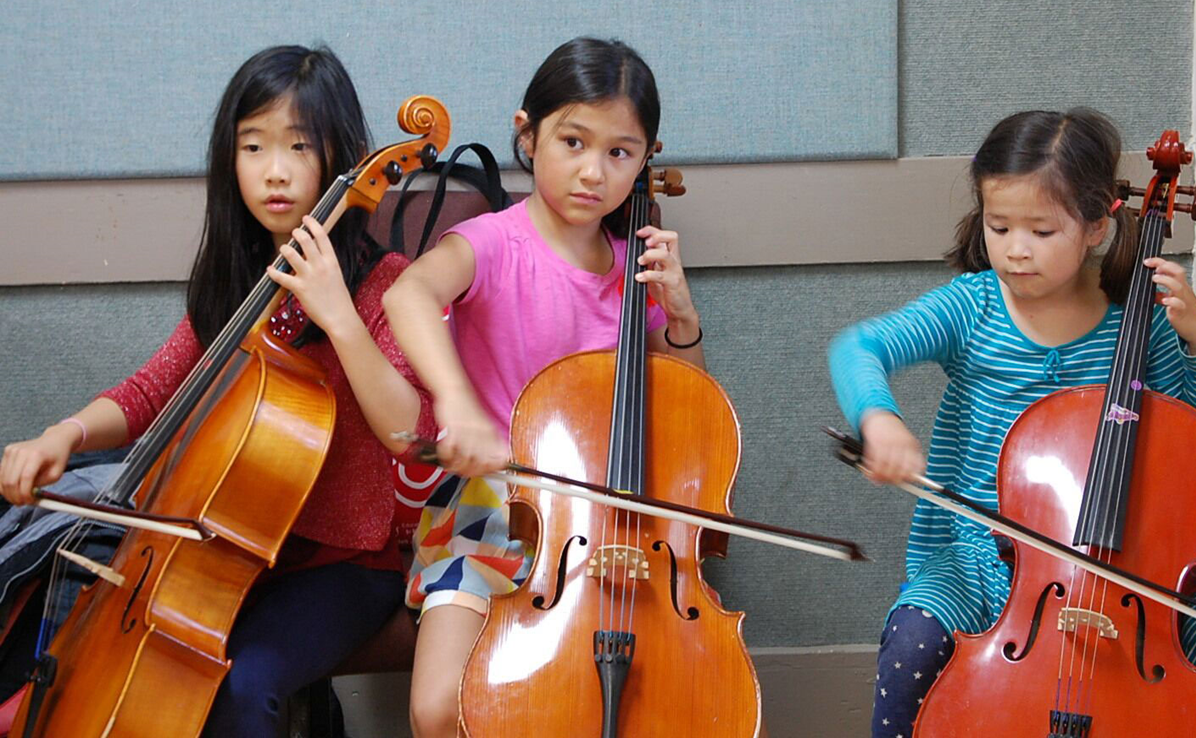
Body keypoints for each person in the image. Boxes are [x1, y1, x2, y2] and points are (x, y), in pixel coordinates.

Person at [0, 44, 434, 737]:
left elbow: (410, 429)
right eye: (253, 146)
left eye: (299, 145)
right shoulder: (243, 282)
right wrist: (64, 435)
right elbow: (150, 393)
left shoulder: (386, 284)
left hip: (342, 565)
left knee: (242, 683)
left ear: (343, 156)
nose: (275, 171)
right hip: (217, 552)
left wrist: (338, 316)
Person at [827, 108, 1196, 738]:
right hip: (983, 561)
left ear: (1096, 226)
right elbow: (858, 348)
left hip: (1137, 568)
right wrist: (879, 418)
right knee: (912, 643)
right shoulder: (973, 308)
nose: (1014, 249)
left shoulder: (1137, 324)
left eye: (1040, 229)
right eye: (999, 224)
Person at [383, 36, 705, 738]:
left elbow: (687, 415)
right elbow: (408, 295)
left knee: (611, 708)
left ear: (644, 161)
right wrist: (461, 408)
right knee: (440, 709)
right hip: (486, 510)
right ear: (527, 137)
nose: (593, 171)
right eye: (573, 141)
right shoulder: (492, 243)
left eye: (620, 153)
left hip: (610, 527)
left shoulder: (635, 272)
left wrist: (680, 317)